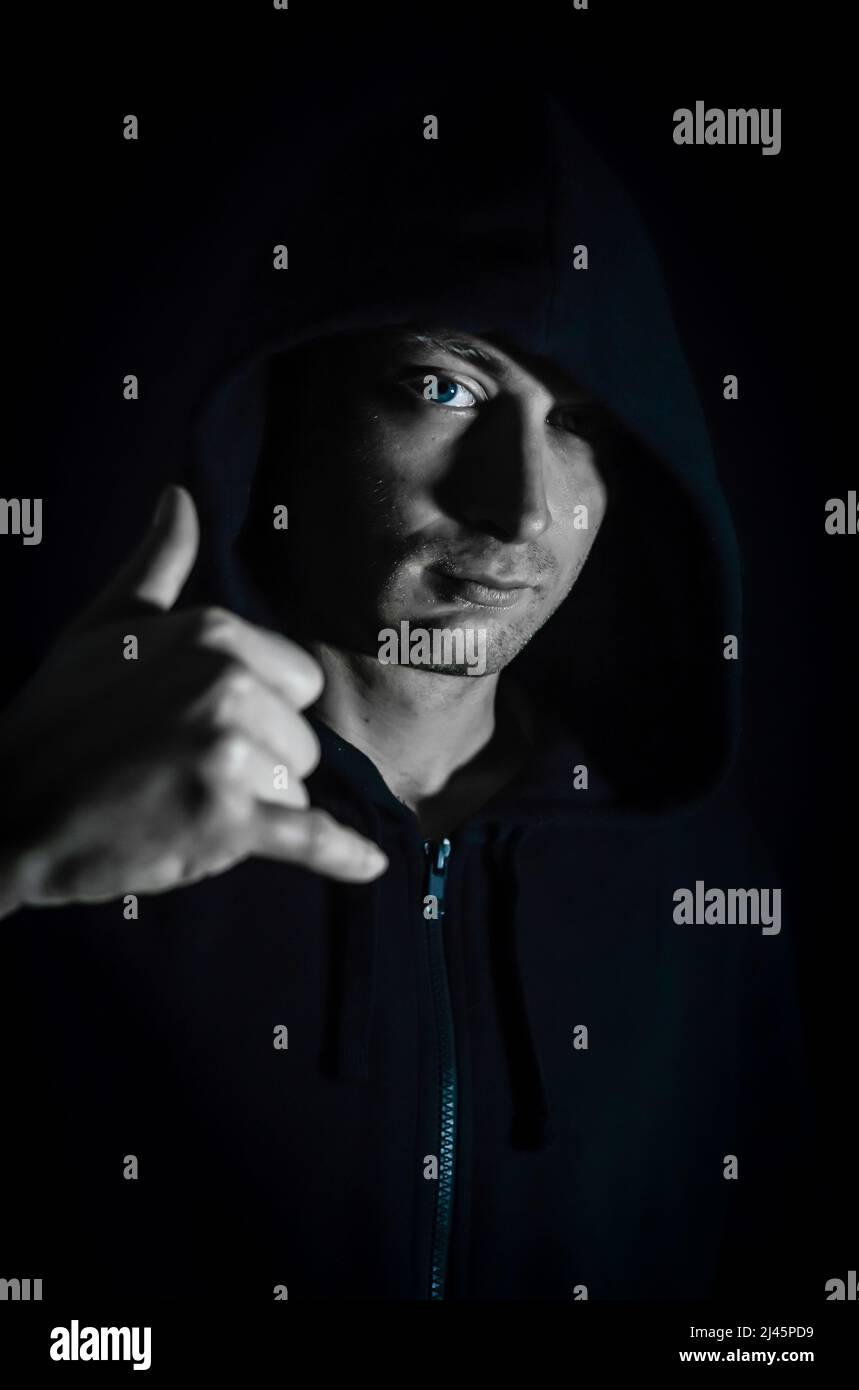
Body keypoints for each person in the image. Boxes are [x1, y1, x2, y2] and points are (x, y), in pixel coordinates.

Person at [0, 95, 814, 1300]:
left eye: (580, 424)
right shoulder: (83, 795)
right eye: (442, 388)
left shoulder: (703, 876)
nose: (526, 508)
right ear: (291, 412)